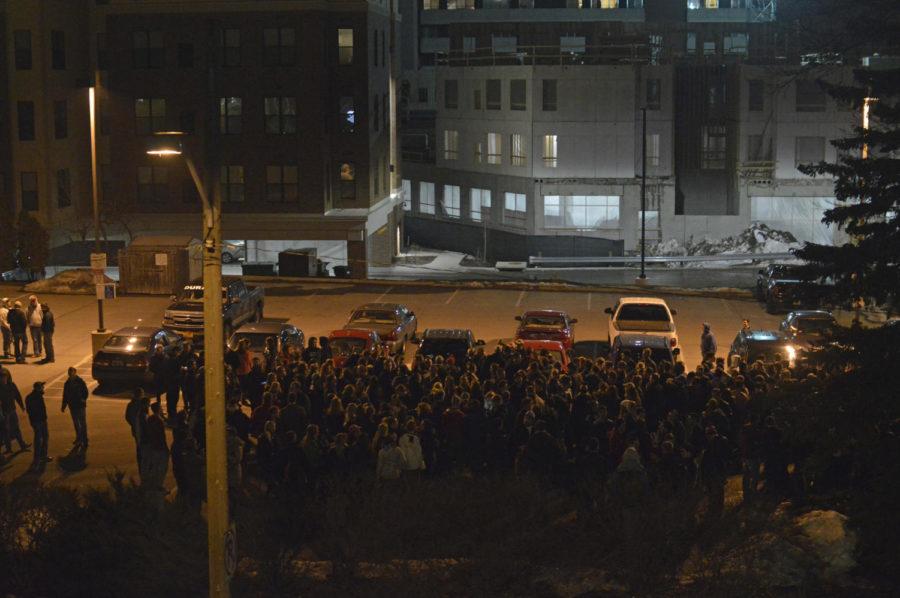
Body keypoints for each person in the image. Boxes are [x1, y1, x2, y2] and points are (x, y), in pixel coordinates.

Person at [140, 402, 169, 501]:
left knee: (155, 466)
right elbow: (161, 436)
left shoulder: (150, 419)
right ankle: (158, 486)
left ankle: (154, 486)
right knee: (161, 468)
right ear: (158, 409)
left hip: (153, 447)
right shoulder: (158, 420)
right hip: (160, 447)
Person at [0, 368, 30, 452]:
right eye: (2, 377)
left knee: (16, 428)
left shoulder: (12, 385)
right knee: (6, 431)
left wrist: (22, 406)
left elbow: (17, 396)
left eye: (5, 376)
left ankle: (22, 445)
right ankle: (8, 448)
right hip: (4, 412)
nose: (3, 378)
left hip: (12, 410)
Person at [25, 381, 50, 471]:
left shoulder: (38, 396)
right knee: (38, 440)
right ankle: (37, 460)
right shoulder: (32, 397)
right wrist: (36, 420)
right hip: (37, 421)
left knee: (45, 437)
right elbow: (30, 411)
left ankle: (43, 456)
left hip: (42, 420)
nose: (43, 388)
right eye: (42, 387)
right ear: (37, 388)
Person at [62, 367, 89, 448]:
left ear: (75, 372)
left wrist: (83, 399)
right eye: (69, 372)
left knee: (82, 423)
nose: (70, 373)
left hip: (80, 405)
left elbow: (86, 392)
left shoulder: (80, 381)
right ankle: (79, 438)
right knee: (76, 423)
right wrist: (63, 405)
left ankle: (84, 439)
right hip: (73, 405)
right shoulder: (67, 383)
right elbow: (65, 395)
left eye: (71, 372)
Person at [125, 388, 149, 468]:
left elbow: (127, 417)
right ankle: (143, 462)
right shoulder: (142, 404)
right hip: (141, 428)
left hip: (135, 428)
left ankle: (141, 461)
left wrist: (132, 423)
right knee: (143, 445)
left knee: (138, 445)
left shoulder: (130, 404)